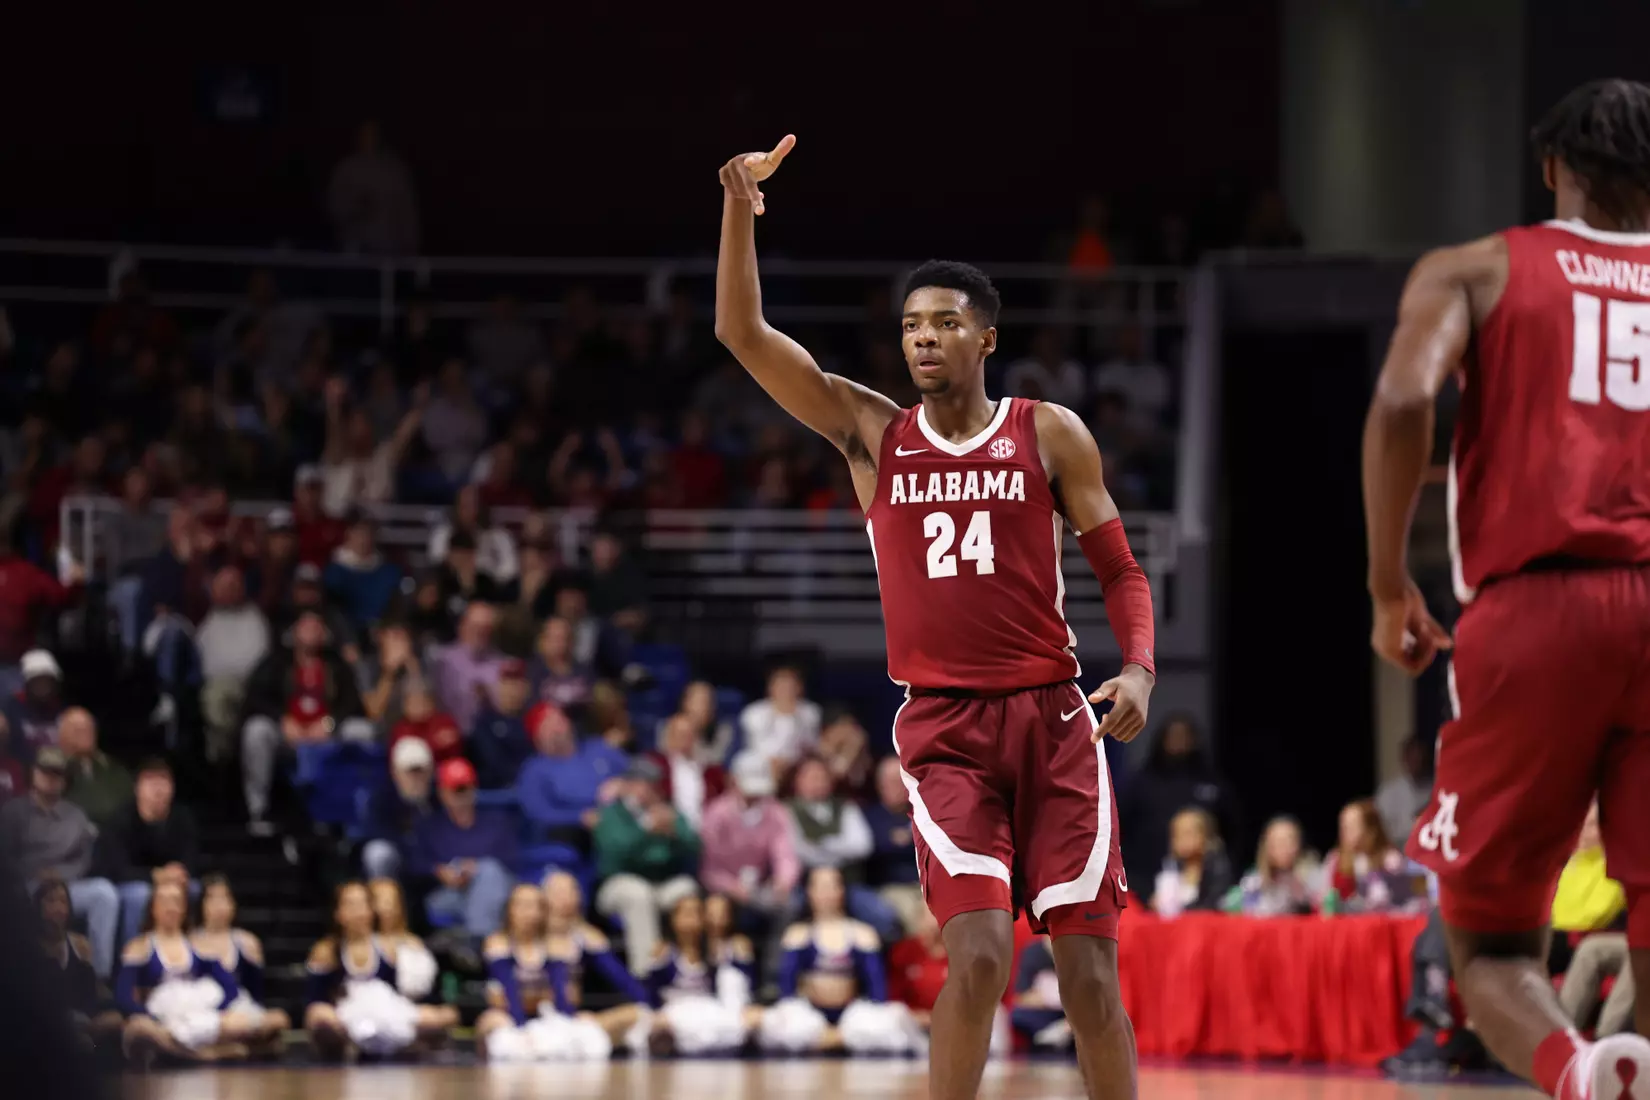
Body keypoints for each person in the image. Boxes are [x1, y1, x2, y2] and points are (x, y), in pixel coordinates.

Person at [718, 136, 1156, 1098]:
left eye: (944, 323)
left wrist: (1141, 667)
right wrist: (738, 215)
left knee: (1088, 977)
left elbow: (1122, 568)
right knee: (983, 955)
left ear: (984, 338)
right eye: (911, 324)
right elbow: (744, 336)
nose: (922, 338)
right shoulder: (872, 432)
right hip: (947, 730)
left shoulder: (1047, 432)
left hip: (1055, 722)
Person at [1363, 78, 1650, 1095]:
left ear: (1551, 170)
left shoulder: (1480, 267)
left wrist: (1389, 584)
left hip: (1539, 610)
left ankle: (1576, 1070)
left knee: (1486, 945)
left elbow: (1402, 397)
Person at [116, 881, 269, 1066]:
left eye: (176, 901)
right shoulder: (139, 946)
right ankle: (202, 1055)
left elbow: (230, 988)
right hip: (161, 1019)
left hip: (201, 1016)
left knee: (271, 1021)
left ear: (184, 908)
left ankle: (176, 1052)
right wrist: (153, 1017)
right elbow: (124, 997)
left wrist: (216, 1012)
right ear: (153, 907)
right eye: (164, 901)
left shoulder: (198, 944)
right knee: (137, 1029)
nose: (170, 907)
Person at [0, 748, 119, 978]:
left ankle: (98, 976)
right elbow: (5, 856)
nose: (50, 778)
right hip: (25, 884)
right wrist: (34, 874)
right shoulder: (12, 812)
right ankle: (23, 976)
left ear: (65, 780)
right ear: (33, 773)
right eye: (45, 771)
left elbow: (84, 858)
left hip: (67, 884)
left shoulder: (76, 815)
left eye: (57, 773)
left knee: (104, 893)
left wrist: (61, 875)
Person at [303, 881, 454, 1059]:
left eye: (363, 904)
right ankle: (348, 1044)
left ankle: (399, 1042)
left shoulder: (388, 946)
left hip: (387, 1013)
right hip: (345, 1015)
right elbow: (315, 999)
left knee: (442, 1016)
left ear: (371, 910)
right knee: (318, 1015)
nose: (358, 912)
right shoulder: (327, 950)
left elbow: (405, 993)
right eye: (350, 905)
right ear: (338, 913)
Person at [591, 757, 702, 975]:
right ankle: (647, 975)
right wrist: (646, 832)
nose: (648, 789)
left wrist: (675, 834)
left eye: (653, 783)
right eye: (643, 783)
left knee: (687, 889)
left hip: (661, 883)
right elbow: (614, 855)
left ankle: (692, 969)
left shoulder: (667, 811)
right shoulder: (612, 814)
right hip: (617, 884)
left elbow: (696, 847)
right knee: (639, 895)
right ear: (629, 785)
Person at [784, 755, 900, 944]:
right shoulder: (787, 811)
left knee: (884, 916)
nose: (817, 782)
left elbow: (862, 846)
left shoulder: (846, 807)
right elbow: (799, 851)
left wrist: (820, 844)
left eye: (821, 777)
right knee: (786, 914)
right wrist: (839, 846)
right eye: (810, 777)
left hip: (848, 884)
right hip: (805, 886)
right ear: (797, 781)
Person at [406, 758, 517, 947]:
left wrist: (476, 869)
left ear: (474, 788)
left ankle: (475, 942)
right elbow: (414, 865)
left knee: (489, 873)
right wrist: (439, 871)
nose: (461, 795)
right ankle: (488, 947)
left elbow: (511, 862)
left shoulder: (496, 822)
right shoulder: (429, 826)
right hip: (449, 894)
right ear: (442, 793)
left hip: (496, 889)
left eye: (465, 788)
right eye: (455, 790)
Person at [100, 758, 198, 949]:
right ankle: (133, 958)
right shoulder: (120, 819)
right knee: (140, 896)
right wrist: (157, 876)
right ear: (137, 788)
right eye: (150, 782)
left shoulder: (182, 818)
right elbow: (117, 869)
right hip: (130, 885)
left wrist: (180, 874)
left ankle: (188, 956)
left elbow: (191, 859)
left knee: (194, 889)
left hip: (171, 882)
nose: (158, 788)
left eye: (164, 781)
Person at [644, 892, 758, 1056]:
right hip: (676, 1011)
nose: (692, 921)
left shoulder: (715, 950)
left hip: (709, 1009)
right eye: (686, 914)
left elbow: (737, 988)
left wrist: (741, 958)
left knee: (747, 1019)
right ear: (673, 920)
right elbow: (650, 992)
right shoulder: (665, 951)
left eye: (696, 914)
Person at [187, 875, 289, 1053]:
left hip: (241, 1010)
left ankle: (228, 1044)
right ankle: (230, 1045)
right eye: (213, 899)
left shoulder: (247, 941)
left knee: (279, 1019)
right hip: (205, 1010)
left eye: (225, 898)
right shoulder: (190, 941)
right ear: (202, 904)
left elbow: (257, 992)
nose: (219, 906)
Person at [34, 875, 122, 1048]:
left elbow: (90, 990)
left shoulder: (80, 944)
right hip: (47, 1017)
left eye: (63, 902)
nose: (58, 908)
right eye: (51, 901)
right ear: (38, 906)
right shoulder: (32, 946)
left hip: (82, 1016)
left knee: (116, 1019)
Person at [1222, 815, 1318, 917]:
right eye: (1279, 841)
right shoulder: (1253, 883)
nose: (1285, 847)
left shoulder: (1310, 880)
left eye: (1291, 840)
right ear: (1267, 846)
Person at [1148, 808, 1234, 919]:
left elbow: (1212, 906)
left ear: (1205, 835)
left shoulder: (1218, 869)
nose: (1181, 840)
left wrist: (1180, 912)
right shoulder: (1171, 870)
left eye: (1187, 833)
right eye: (1176, 835)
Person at [737, 664, 821, 774]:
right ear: (770, 688)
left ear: (800, 688)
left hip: (798, 764)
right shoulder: (754, 712)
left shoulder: (810, 712)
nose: (786, 690)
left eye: (791, 686)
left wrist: (794, 714)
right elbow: (752, 745)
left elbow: (810, 743)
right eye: (781, 685)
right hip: (762, 763)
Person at [57, 707, 132, 828]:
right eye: (78, 729)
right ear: (62, 735)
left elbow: (129, 802)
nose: (86, 733)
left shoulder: (113, 768)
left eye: (89, 728)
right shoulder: (54, 770)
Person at [1375, 736, 1434, 848]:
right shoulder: (1389, 792)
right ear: (1404, 759)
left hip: (1430, 852)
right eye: (1412, 757)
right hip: (1397, 855)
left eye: (1420, 757)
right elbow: (1379, 831)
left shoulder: (1437, 789)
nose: (1417, 762)